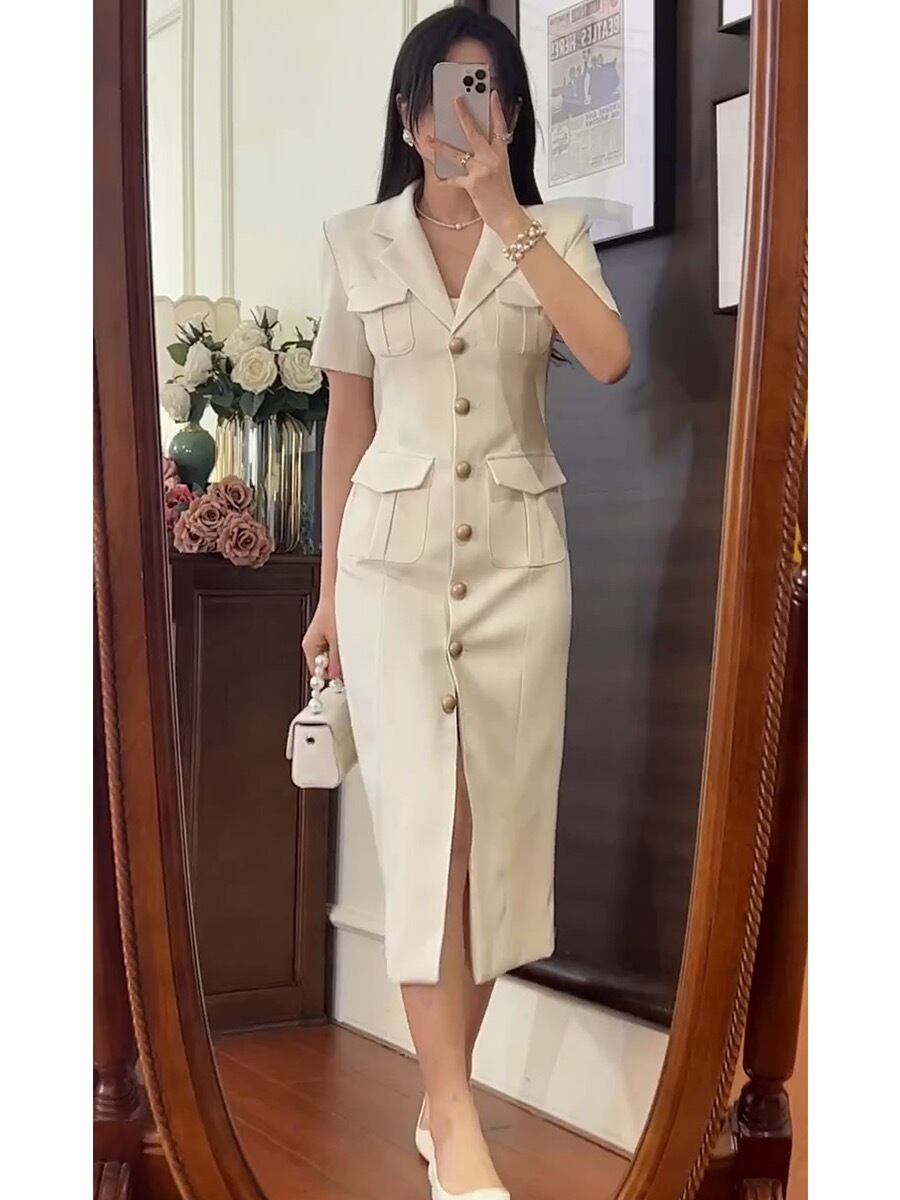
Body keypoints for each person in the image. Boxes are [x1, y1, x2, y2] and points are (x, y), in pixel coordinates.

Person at [304, 9, 630, 1199]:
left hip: (519, 572)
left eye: (485, 92)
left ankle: (446, 1097)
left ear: (514, 112)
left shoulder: (554, 233)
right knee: (422, 835)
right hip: (386, 577)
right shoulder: (353, 243)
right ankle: (453, 1110)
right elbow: (346, 426)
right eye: (443, 92)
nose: (462, 114)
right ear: (408, 116)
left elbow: (608, 357)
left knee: (491, 841)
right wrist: (326, 595)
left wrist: (505, 217)